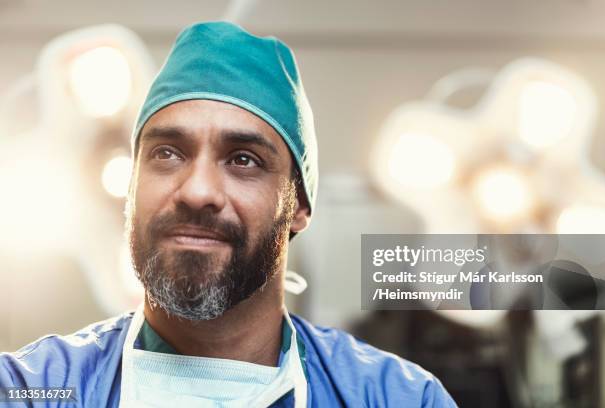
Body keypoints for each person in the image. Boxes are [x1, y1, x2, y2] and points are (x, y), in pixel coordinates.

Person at [0, 22, 457, 407]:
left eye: (243, 160)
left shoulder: (396, 397)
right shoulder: (32, 389)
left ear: (298, 206)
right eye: (166, 153)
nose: (197, 191)